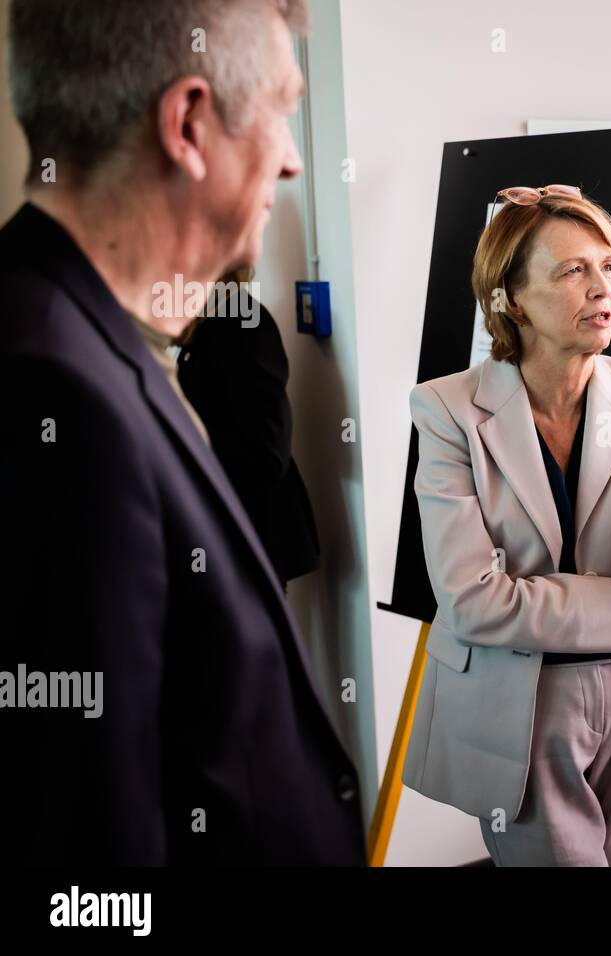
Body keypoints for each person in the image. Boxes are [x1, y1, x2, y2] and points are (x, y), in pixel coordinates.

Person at [0, 0, 364, 864]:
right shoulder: (57, 398)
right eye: (280, 110)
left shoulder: (79, 336)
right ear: (190, 123)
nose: (289, 159)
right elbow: (84, 853)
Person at [401, 184, 611, 866]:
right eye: (572, 270)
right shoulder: (447, 410)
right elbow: (473, 601)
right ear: (511, 299)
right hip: (518, 706)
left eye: (607, 267)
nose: (602, 288)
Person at [179, 272, 322, 589]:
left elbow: (267, 452)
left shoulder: (244, 320)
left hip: (247, 536)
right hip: (222, 532)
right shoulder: (207, 321)